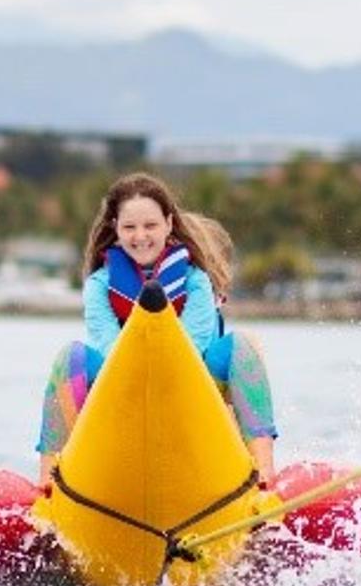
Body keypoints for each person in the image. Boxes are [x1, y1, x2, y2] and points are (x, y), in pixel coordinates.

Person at [37, 173, 277, 487]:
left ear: (168, 223)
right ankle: (49, 481)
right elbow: (107, 346)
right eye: (129, 227)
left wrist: (161, 374)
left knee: (243, 345)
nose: (140, 236)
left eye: (150, 225)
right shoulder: (99, 285)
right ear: (115, 229)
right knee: (72, 356)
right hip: (122, 386)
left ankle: (263, 472)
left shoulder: (195, 280)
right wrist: (140, 373)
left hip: (190, 386)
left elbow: (196, 344)